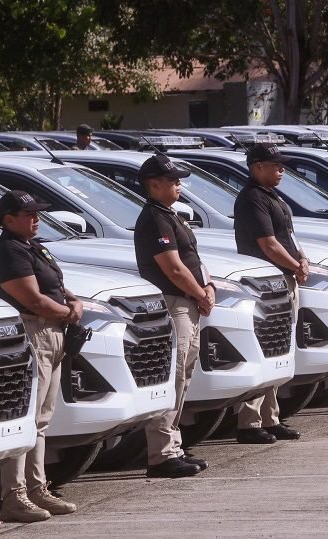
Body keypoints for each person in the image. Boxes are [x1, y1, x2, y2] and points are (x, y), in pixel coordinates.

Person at [0, 191, 81, 522]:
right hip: (33, 332)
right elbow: (34, 300)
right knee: (25, 419)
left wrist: (73, 302)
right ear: (9, 219)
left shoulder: (33, 246)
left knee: (41, 420)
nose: (37, 219)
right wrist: (69, 313)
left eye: (37, 213)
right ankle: (14, 496)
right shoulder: (9, 251)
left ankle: (37, 488)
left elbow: (56, 285)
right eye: (29, 214)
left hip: (52, 332)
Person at [134, 153, 212, 478]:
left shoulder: (170, 215)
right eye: (173, 180)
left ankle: (174, 446)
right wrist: (200, 293)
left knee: (184, 377)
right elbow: (173, 268)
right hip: (174, 302)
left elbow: (192, 259)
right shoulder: (154, 218)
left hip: (189, 300)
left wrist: (208, 287)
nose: (179, 185)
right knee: (173, 376)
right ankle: (161, 455)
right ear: (154, 184)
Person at [233, 143, 304, 444]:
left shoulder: (272, 196)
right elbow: (268, 244)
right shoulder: (252, 198)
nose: (281, 170)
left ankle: (270, 418)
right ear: (257, 167)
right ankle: (249, 422)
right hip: (265, 285)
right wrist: (295, 266)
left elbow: (288, 236)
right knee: (262, 349)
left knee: (278, 350)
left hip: (283, 279)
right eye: (275, 165)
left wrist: (302, 259)